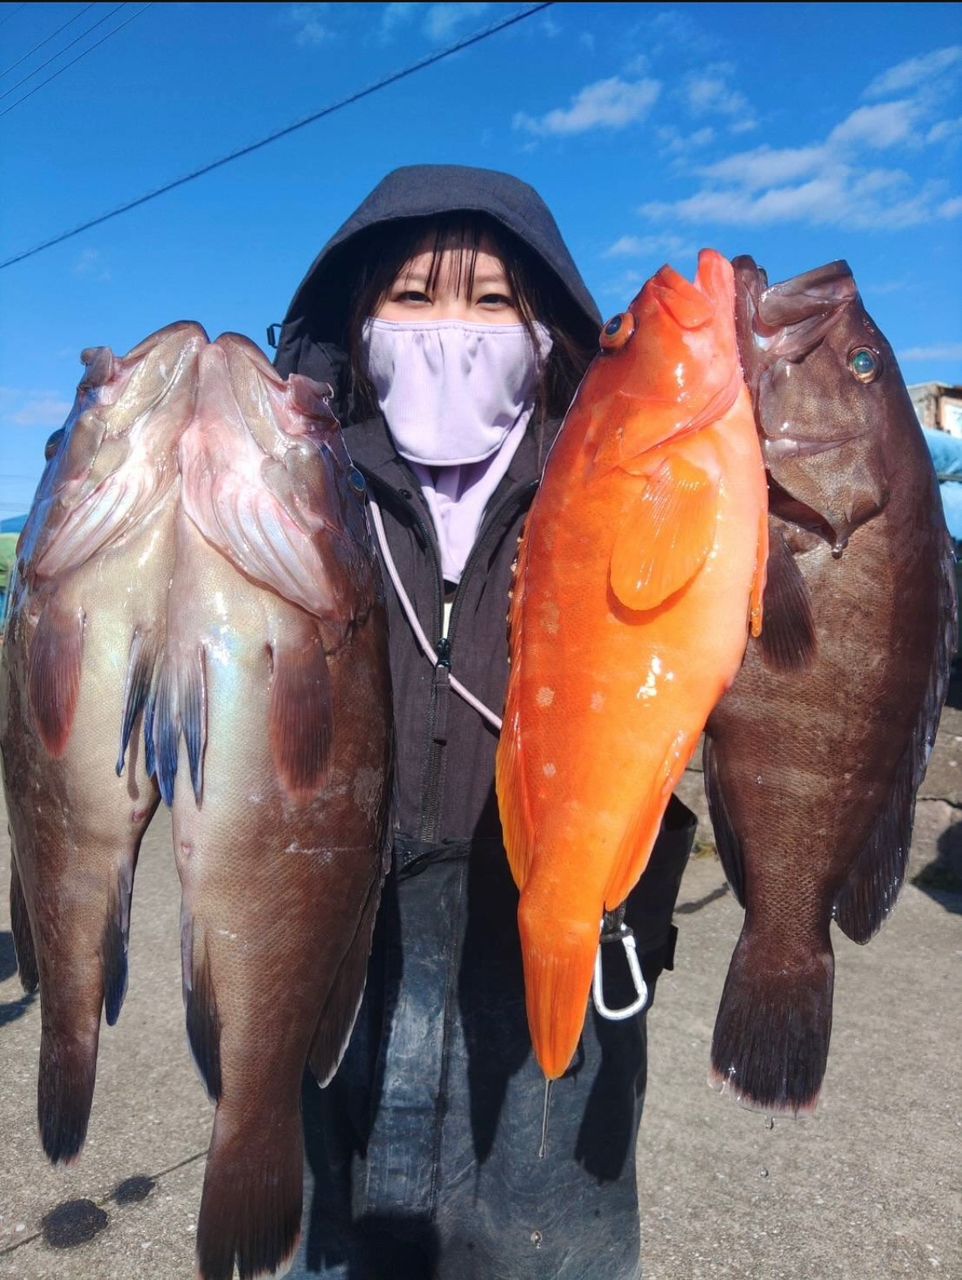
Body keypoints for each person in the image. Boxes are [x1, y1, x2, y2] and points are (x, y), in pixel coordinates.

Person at [271, 164, 697, 1280]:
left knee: (548, 1251)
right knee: (342, 1247)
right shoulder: (294, 488)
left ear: (546, 326)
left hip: (550, 933)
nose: (447, 329)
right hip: (352, 951)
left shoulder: (622, 474)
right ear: (354, 317)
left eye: (492, 300)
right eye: (410, 296)